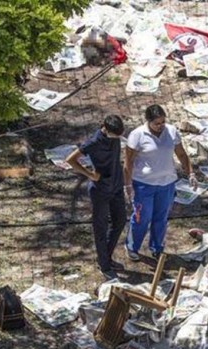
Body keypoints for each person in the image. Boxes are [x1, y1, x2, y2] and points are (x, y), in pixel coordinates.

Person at [124, 104, 197, 261]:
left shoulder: (171, 132)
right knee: (141, 217)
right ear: (148, 122)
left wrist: (190, 172)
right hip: (144, 184)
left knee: (161, 217)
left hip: (167, 183)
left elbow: (182, 154)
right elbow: (128, 162)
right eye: (156, 123)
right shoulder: (137, 135)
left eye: (162, 122)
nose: (160, 126)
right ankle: (132, 246)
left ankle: (157, 247)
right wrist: (128, 185)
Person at [66, 115, 126, 282]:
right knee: (100, 227)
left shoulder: (116, 137)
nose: (118, 138)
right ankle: (104, 264)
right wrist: (90, 174)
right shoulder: (93, 142)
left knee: (120, 220)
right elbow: (70, 159)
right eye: (115, 135)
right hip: (100, 190)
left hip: (116, 185)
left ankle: (106, 257)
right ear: (105, 129)